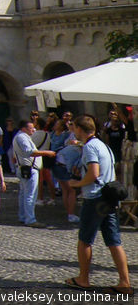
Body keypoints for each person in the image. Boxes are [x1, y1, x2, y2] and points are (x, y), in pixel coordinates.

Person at [66, 115, 132, 295]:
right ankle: (125, 282)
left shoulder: (89, 147)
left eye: (74, 128)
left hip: (95, 198)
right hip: (109, 198)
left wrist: (76, 184)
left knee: (85, 240)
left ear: (80, 129)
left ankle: (83, 279)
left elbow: (93, 173)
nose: (74, 131)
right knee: (114, 241)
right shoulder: (103, 145)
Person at [12, 120, 56, 227]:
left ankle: (23, 216)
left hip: (26, 168)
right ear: (24, 128)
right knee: (30, 195)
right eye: (31, 128)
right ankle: (30, 219)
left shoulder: (22, 137)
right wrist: (47, 153)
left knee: (24, 194)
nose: (33, 130)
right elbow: (29, 152)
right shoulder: (22, 137)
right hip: (29, 169)